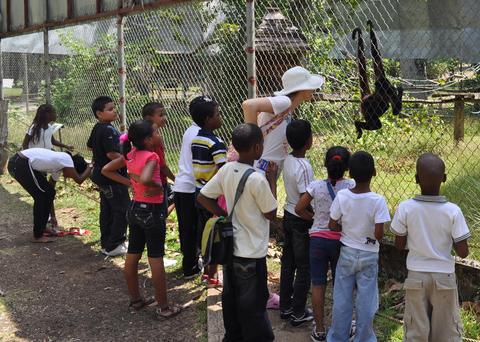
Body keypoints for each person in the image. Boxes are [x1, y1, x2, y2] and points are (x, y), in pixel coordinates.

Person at [197, 123, 277, 342]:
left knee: (231, 297)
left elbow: (203, 197)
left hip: (230, 248)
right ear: (256, 148)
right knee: (254, 303)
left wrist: (224, 214)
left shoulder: (226, 169)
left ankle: (233, 336)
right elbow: (271, 213)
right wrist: (272, 179)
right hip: (251, 253)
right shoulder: (257, 179)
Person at [102, 120, 181, 318]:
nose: (159, 134)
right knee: (155, 258)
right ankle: (164, 307)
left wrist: (130, 182)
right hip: (152, 212)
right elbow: (146, 178)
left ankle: (136, 300)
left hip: (135, 208)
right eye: (156, 132)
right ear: (148, 139)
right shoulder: (152, 156)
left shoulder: (130, 154)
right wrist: (154, 187)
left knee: (133, 254)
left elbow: (106, 170)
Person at [390, 153, 470, 342]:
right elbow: (463, 252)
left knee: (416, 331)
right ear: (444, 178)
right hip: (444, 277)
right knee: (447, 332)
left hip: (416, 275)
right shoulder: (453, 211)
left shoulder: (405, 208)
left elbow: (399, 245)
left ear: (416, 179)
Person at [327, 151, 390, 342]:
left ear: (350, 174)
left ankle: (338, 337)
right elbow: (379, 234)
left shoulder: (343, 196)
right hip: (369, 254)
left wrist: (345, 227)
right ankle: (364, 338)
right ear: (374, 172)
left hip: (346, 251)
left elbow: (332, 224)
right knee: (366, 301)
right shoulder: (378, 201)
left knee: (342, 298)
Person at [295, 146, 354, 341]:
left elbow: (299, 208)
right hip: (340, 240)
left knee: (318, 284)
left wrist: (314, 220)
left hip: (318, 240)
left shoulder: (315, 186)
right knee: (341, 285)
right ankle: (342, 327)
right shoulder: (351, 185)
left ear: (326, 164)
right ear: (347, 167)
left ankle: (319, 329)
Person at [242, 66, 324, 179]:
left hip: (267, 168)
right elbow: (249, 105)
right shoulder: (284, 102)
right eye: (310, 86)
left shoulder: (288, 107)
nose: (313, 90)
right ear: (302, 88)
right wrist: (253, 144)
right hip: (260, 168)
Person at [7, 148, 91, 243]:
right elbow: (79, 179)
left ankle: (42, 228)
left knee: (48, 193)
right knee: (40, 197)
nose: (67, 177)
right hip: (19, 164)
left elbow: (50, 192)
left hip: (21, 163)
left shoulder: (59, 166)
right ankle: (38, 235)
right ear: (73, 167)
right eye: (71, 174)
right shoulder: (66, 160)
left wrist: (53, 216)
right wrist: (91, 166)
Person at [279, 119, 315, 326]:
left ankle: (286, 306)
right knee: (304, 267)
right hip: (301, 219)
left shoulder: (288, 159)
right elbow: (305, 198)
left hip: (288, 214)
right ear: (309, 141)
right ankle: (299, 311)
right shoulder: (304, 166)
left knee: (288, 263)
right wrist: (313, 218)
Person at [190, 95, 227, 285]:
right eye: (218, 114)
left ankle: (207, 272)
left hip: (199, 193)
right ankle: (213, 275)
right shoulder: (216, 144)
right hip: (213, 197)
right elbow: (224, 172)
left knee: (205, 232)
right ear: (207, 119)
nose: (221, 117)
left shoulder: (197, 139)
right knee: (216, 235)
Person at [22, 104, 74, 234]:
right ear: (47, 114)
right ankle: (48, 218)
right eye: (54, 112)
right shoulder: (34, 128)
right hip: (36, 163)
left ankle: (49, 217)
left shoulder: (49, 127)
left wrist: (66, 145)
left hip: (47, 162)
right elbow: (25, 143)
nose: (56, 115)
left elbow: (52, 141)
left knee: (48, 191)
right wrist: (28, 157)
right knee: (45, 192)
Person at [87, 96, 129, 256]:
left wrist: (99, 155)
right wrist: (127, 163)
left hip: (99, 174)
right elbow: (112, 154)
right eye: (110, 109)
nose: (114, 111)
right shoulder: (108, 130)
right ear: (99, 113)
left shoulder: (98, 127)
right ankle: (114, 244)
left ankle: (107, 242)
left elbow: (89, 145)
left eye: (114, 108)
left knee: (107, 209)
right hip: (111, 177)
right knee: (121, 208)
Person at [173, 117, 201, 278]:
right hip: (191, 188)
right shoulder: (200, 135)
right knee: (192, 229)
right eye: (217, 114)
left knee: (186, 228)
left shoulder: (190, 130)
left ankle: (189, 262)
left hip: (182, 185)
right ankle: (191, 266)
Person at [142, 102, 175, 220]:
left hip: (146, 182)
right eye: (161, 115)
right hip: (158, 182)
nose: (165, 118)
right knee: (159, 215)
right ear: (148, 118)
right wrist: (176, 179)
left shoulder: (142, 137)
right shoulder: (155, 140)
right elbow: (162, 166)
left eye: (164, 114)